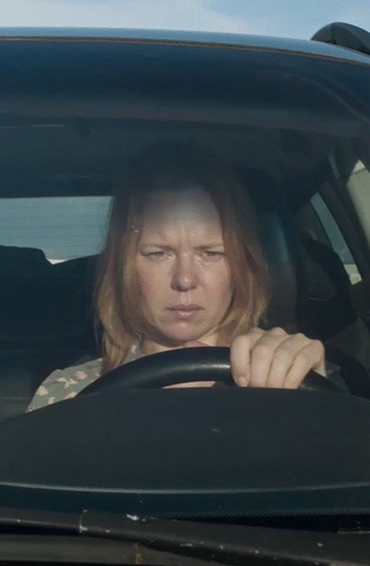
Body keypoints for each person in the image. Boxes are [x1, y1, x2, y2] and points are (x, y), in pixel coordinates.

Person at [26, 146, 325, 412]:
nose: (184, 280)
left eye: (210, 253)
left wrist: (317, 402)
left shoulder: (290, 375)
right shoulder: (68, 395)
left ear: (242, 267)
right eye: (159, 253)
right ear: (124, 269)